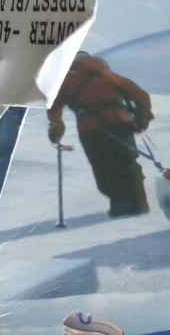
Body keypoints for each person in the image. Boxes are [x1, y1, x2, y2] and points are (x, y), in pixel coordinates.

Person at [47, 52, 153, 217]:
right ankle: (138, 202)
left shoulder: (66, 80)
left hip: (90, 129)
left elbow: (54, 111)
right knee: (127, 162)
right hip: (120, 124)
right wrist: (142, 119)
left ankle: (119, 202)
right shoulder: (107, 75)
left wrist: (56, 133)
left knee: (102, 165)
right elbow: (141, 95)